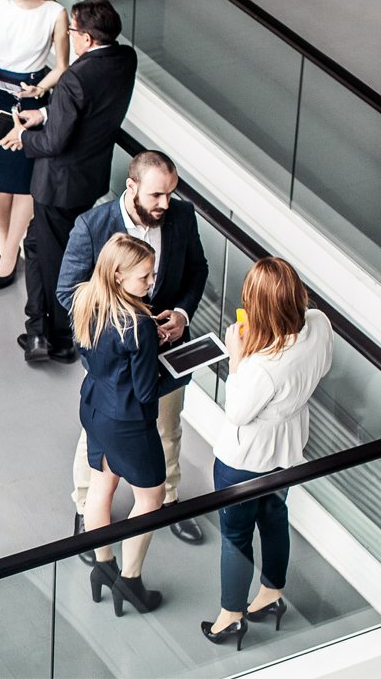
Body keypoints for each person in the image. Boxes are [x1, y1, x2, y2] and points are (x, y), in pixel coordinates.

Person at [57, 151, 209, 556]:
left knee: (167, 429)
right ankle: (86, 513)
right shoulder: (92, 226)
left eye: (171, 194)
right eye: (157, 195)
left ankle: (168, 502)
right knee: (97, 442)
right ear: (132, 187)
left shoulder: (181, 216)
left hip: (166, 349)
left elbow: (197, 270)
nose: (165, 204)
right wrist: (120, 328)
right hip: (116, 366)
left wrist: (179, 314)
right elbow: (68, 291)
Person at [201, 258, 333, 649]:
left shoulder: (262, 365)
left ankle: (230, 616)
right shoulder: (320, 325)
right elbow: (321, 368)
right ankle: (272, 594)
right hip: (288, 451)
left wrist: (237, 358)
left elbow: (239, 413)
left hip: (243, 461)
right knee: (275, 519)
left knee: (236, 536)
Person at [0, 0, 137, 361]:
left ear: (88, 39)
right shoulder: (125, 59)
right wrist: (45, 112)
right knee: (38, 245)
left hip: (58, 184)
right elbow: (86, 110)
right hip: (89, 178)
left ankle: (55, 337)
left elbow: (54, 141)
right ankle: (40, 331)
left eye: (73, 30)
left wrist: (23, 137)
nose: (70, 36)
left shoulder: (75, 76)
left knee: (56, 256)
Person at [71, 234, 189, 618]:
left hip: (94, 407)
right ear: (119, 275)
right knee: (150, 500)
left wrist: (146, 344)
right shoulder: (136, 322)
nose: (151, 282)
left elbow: (102, 355)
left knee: (101, 487)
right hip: (129, 423)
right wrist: (182, 373)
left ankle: (103, 565)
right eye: (144, 276)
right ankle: (131, 580)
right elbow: (145, 390)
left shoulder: (88, 298)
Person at [0, 0, 68, 289]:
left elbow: (61, 66)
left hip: (31, 93)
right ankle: (6, 237)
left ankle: (10, 251)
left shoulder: (55, 13)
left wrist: (38, 89)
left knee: (27, 178)